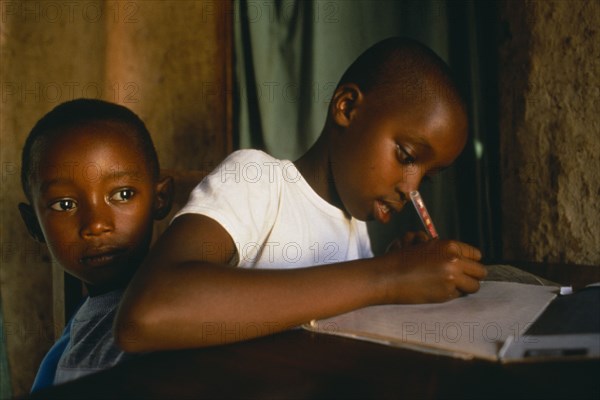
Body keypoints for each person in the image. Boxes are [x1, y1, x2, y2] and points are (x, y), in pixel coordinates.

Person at [115, 37, 486, 352]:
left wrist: (399, 273)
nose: (411, 187)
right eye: (405, 156)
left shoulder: (356, 230)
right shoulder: (257, 180)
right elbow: (148, 314)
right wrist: (386, 276)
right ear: (347, 108)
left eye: (427, 178)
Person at [19, 99, 173, 391]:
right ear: (32, 224)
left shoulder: (170, 316)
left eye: (123, 194)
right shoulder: (84, 322)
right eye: (65, 204)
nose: (96, 224)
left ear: (160, 199)